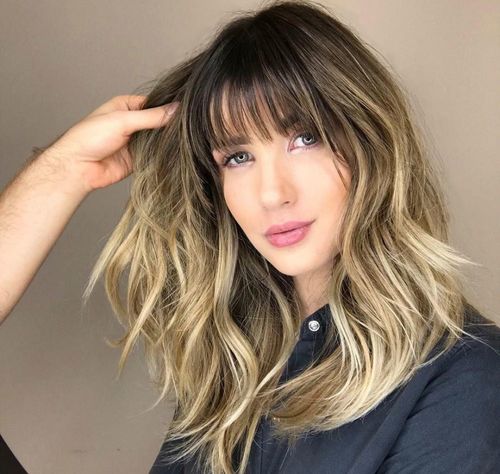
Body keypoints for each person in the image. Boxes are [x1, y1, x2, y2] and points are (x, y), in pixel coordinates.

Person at [1, 1, 499, 473]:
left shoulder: (466, 378)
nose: (272, 193)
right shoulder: (241, 359)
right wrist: (62, 171)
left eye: (306, 138)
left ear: (372, 142)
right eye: (238, 157)